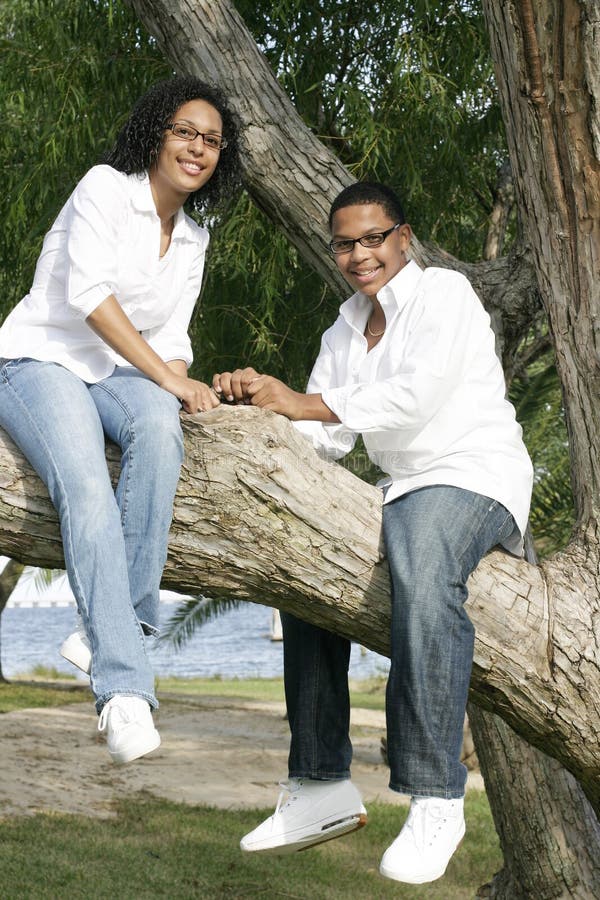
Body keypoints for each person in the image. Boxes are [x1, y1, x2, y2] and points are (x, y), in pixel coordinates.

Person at [212, 182, 533, 885]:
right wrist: (254, 401)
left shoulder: (444, 295)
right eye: (345, 243)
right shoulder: (343, 328)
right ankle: (321, 781)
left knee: (422, 564)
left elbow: (414, 396)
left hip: (472, 476)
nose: (359, 255)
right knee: (300, 565)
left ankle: (436, 795)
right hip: (399, 491)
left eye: (372, 239)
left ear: (403, 238)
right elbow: (325, 436)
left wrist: (301, 401)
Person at [0, 76, 241, 765]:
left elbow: (171, 342)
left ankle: (117, 624)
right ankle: (124, 691)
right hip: (39, 359)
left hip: (118, 373)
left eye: (212, 141)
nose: (198, 147)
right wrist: (167, 377)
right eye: (185, 131)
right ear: (156, 133)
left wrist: (178, 385)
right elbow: (88, 298)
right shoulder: (105, 187)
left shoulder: (194, 239)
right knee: (85, 485)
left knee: (161, 429)